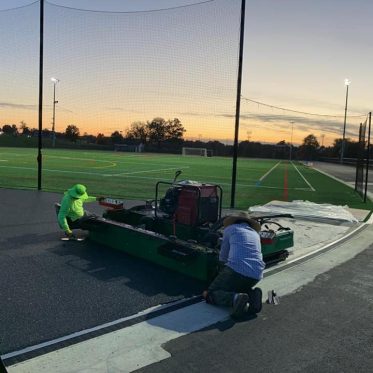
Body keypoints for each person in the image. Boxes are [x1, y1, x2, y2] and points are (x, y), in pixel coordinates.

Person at [203, 211, 265, 319]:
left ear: (234, 221)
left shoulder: (230, 229)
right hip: (257, 274)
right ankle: (252, 295)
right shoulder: (255, 234)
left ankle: (235, 299)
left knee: (210, 293)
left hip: (236, 270)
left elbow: (223, 256)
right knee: (239, 286)